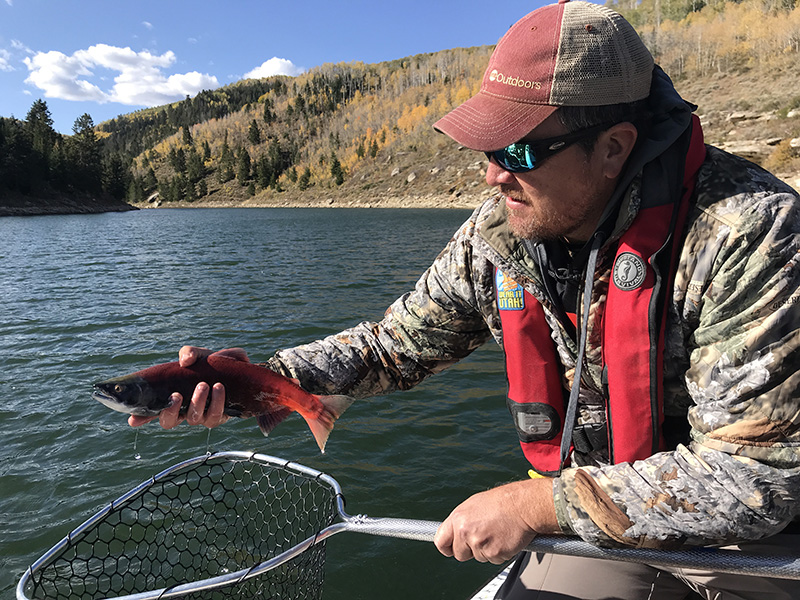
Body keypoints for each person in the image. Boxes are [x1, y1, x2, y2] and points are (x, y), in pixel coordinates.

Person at [130, 1, 800, 597]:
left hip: (758, 549)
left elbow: (755, 479)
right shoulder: (500, 234)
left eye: (518, 151)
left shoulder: (752, 234)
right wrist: (259, 382)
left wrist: (535, 507)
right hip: (603, 534)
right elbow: (392, 348)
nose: (491, 174)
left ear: (613, 148)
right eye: (486, 147)